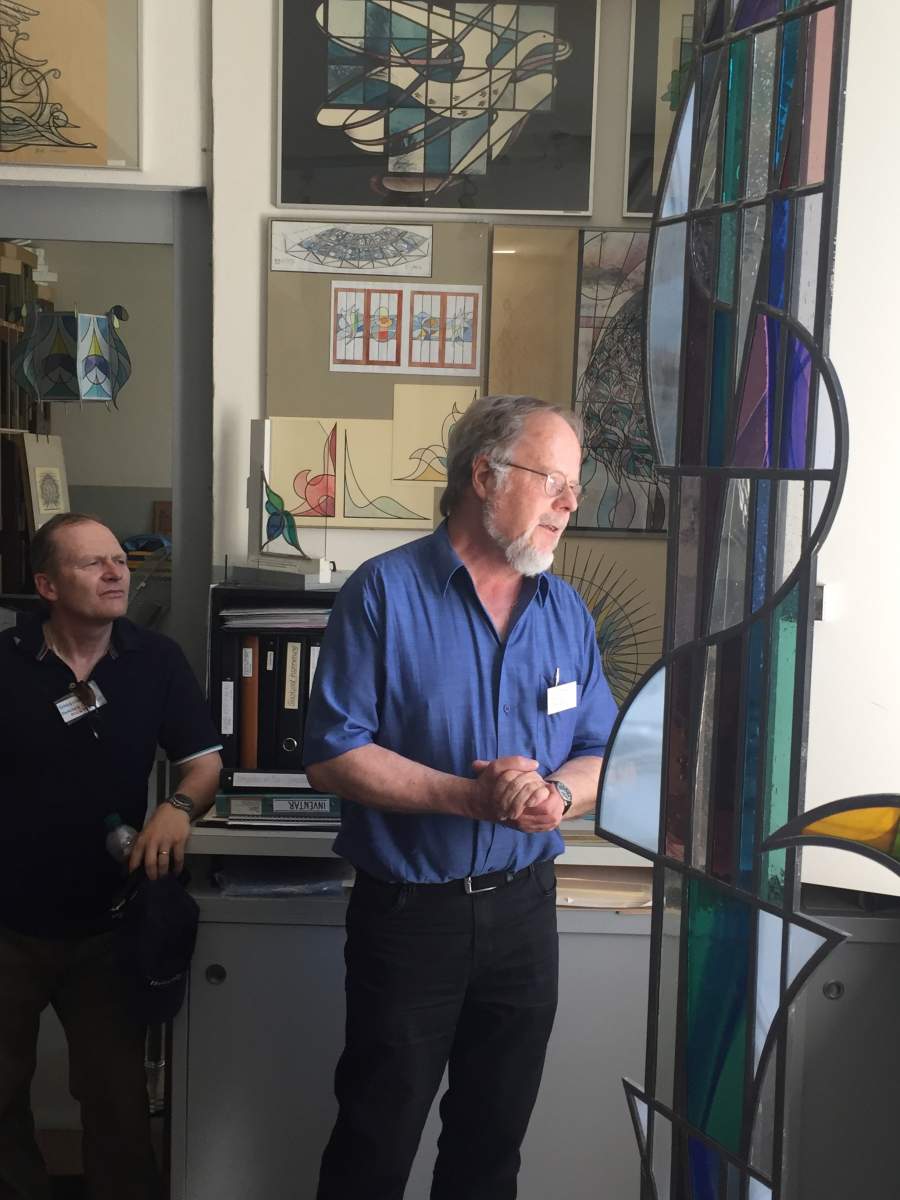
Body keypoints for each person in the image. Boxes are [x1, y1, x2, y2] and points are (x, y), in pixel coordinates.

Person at [305, 394, 618, 1200]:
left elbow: (601, 750)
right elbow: (333, 755)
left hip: (524, 912)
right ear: (484, 476)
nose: (569, 505)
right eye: (552, 481)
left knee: (491, 1148)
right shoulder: (382, 593)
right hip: (412, 917)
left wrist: (554, 795)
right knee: (375, 1143)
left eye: (574, 487)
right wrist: (468, 798)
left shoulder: (566, 611)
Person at [0, 513, 222, 1200]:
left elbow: (203, 765)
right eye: (92, 563)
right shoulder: (6, 661)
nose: (115, 572)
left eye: (119, 560)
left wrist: (177, 807)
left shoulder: (155, 660)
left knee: (118, 1105)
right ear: (47, 585)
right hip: (7, 922)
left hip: (111, 919)